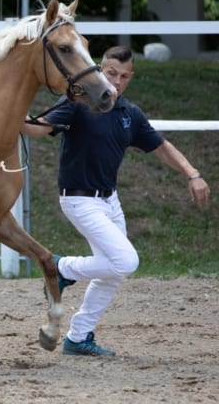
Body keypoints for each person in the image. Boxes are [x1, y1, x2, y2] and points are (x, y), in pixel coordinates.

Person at [22, 45, 210, 356]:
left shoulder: (129, 114)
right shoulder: (78, 104)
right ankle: (61, 268)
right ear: (99, 69)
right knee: (126, 261)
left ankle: (78, 338)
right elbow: (37, 129)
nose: (118, 80)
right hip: (79, 200)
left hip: (110, 201)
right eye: (112, 73)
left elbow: (161, 147)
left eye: (124, 76)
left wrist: (192, 173)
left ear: (130, 78)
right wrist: (10, 113)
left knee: (114, 271)